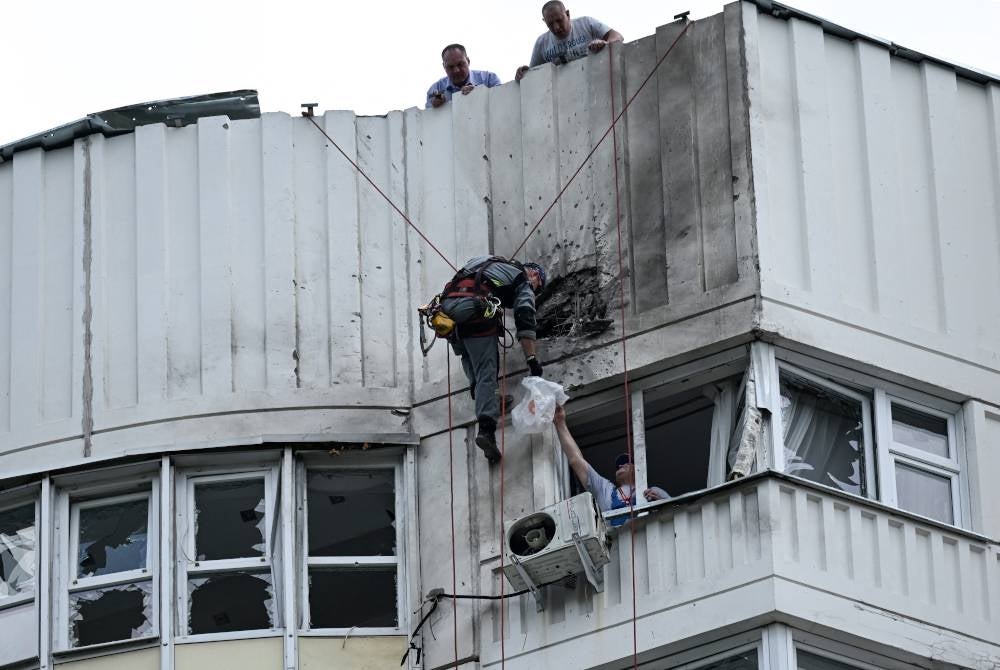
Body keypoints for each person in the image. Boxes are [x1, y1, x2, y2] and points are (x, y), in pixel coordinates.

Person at [439, 256, 546, 464]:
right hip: (473, 310)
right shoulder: (522, 280)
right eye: (537, 288)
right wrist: (532, 359)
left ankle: (489, 399)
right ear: (533, 274)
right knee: (487, 371)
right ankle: (487, 431)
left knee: (473, 363)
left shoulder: (487, 263)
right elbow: (524, 317)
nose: (534, 292)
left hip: (447, 312)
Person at [553, 405, 669, 526]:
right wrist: (560, 423)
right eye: (619, 465)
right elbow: (576, 460)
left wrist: (660, 504)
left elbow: (678, 513)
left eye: (627, 463)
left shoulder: (653, 492)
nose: (620, 466)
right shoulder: (606, 490)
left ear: (638, 469)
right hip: (616, 543)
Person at [515, 1, 623, 81]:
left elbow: (617, 36)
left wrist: (605, 44)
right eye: (550, 24)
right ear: (544, 22)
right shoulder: (541, 43)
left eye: (559, 20)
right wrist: (522, 73)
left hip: (594, 79)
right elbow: (533, 74)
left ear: (567, 14)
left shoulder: (586, 23)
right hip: (562, 94)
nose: (556, 27)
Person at [426, 44, 502, 109]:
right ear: (444, 66)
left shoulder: (489, 79)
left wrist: (480, 92)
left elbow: (502, 101)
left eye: (460, 64)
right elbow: (427, 118)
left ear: (468, 61)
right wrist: (434, 108)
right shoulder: (436, 89)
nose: (456, 70)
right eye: (450, 67)